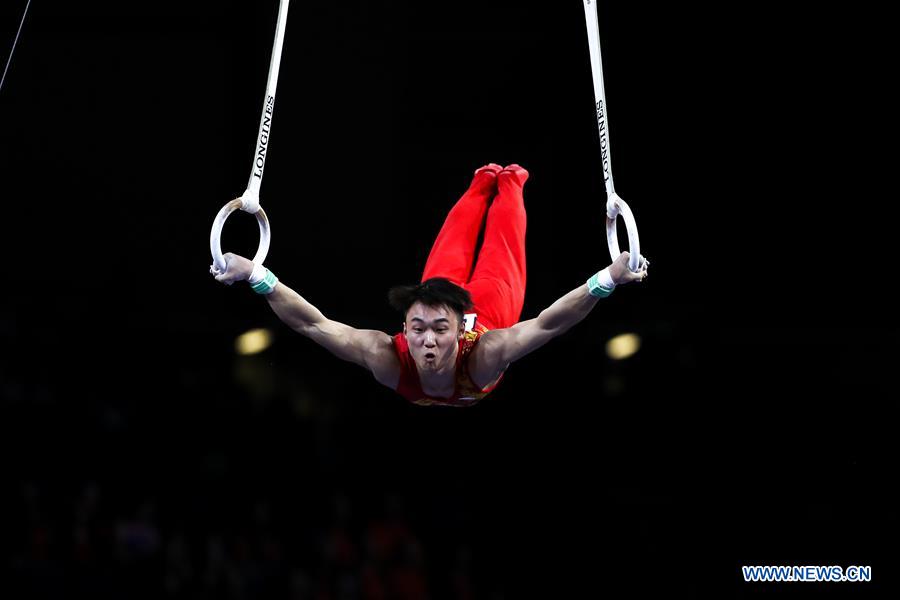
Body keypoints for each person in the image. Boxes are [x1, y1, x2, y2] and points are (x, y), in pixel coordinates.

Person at [212, 163, 648, 407]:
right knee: (501, 243)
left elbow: (550, 324)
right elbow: (315, 325)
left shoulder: (482, 349)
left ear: (459, 330)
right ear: (404, 328)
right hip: (495, 304)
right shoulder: (397, 353)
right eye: (417, 329)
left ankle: (507, 181)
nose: (427, 341)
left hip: (483, 314)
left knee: (462, 244)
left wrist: (606, 279)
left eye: (439, 330)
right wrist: (257, 275)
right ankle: (495, 182)